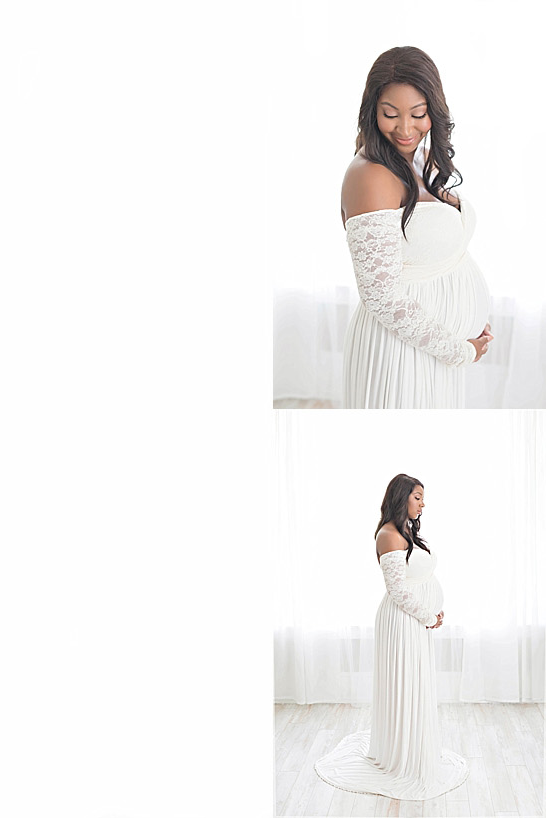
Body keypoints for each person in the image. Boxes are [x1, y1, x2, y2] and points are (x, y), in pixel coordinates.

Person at [340, 46, 492, 409]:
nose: (405, 129)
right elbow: (382, 297)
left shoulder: (419, 159)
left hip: (433, 351)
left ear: (434, 111)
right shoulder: (370, 176)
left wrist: (469, 324)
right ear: (372, 111)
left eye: (418, 114)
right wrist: (458, 350)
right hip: (399, 356)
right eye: (390, 114)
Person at [314, 474, 467, 800]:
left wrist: (431, 613)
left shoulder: (406, 531)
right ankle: (401, 757)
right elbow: (397, 591)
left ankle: (413, 747)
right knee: (404, 684)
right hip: (403, 622)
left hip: (416, 622)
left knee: (415, 684)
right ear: (401, 498)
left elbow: (417, 577)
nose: (423, 503)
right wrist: (428, 615)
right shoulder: (388, 534)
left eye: (423, 497)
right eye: (417, 497)